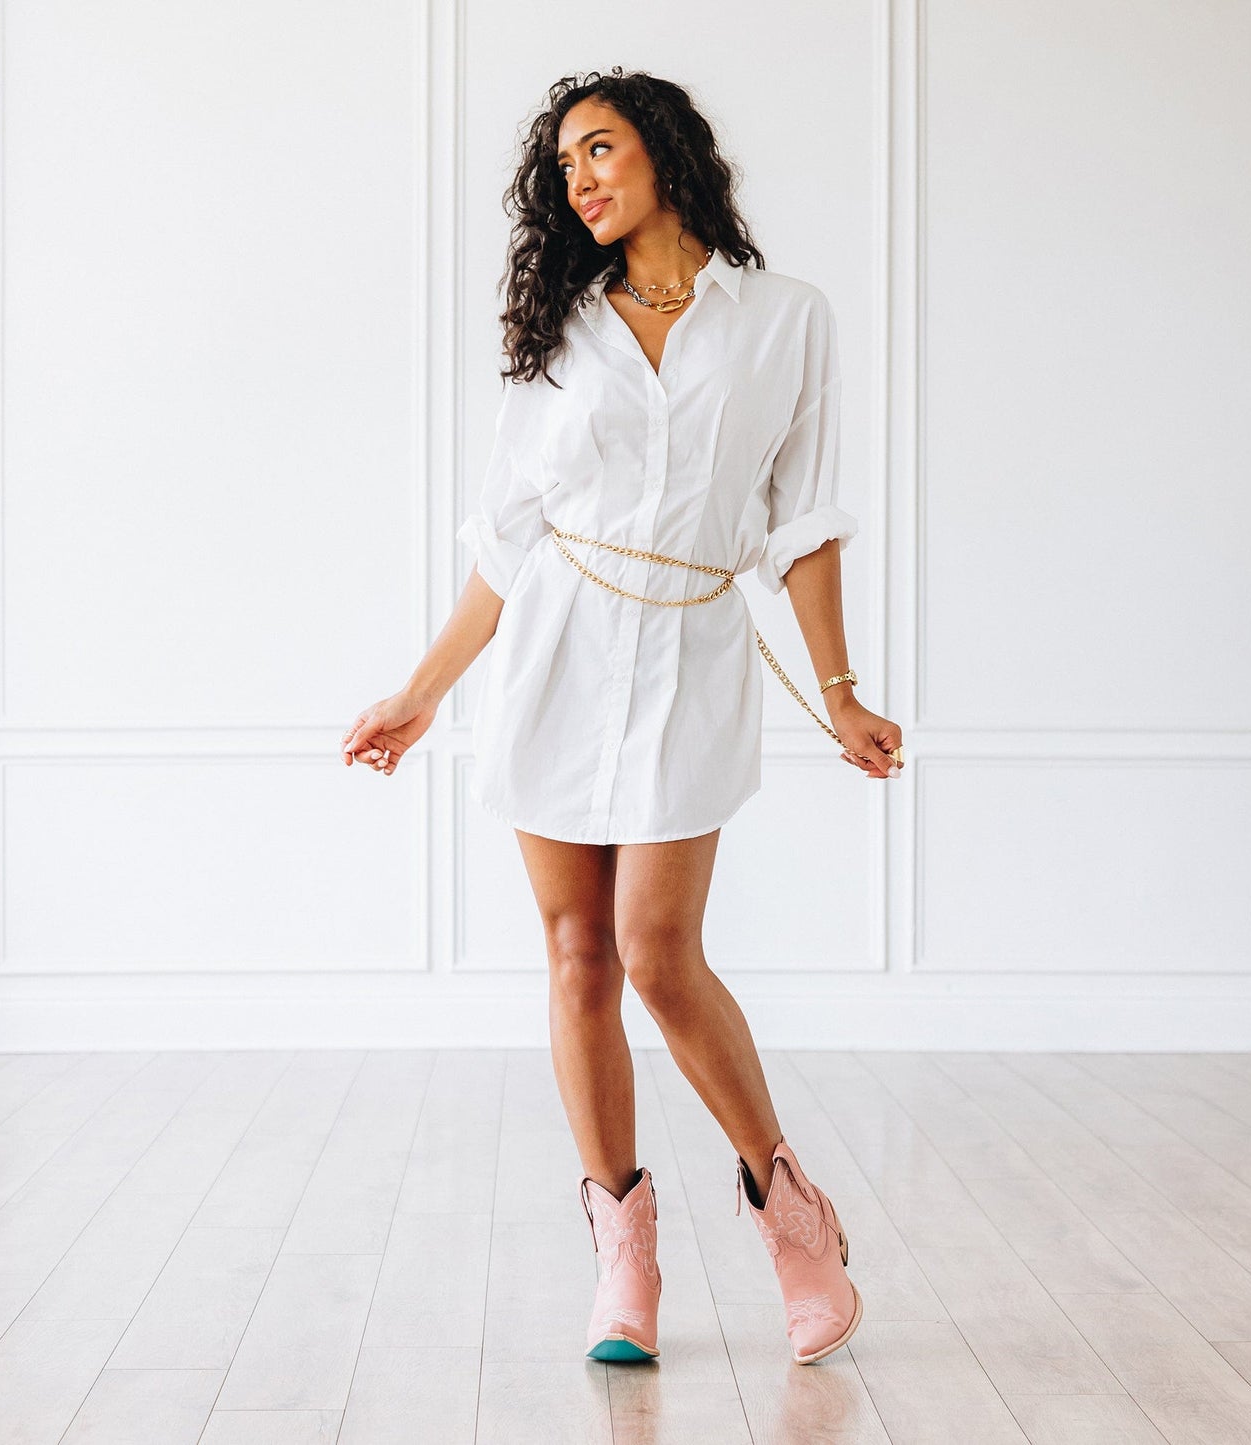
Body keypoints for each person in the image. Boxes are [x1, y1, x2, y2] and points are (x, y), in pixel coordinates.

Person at [341, 68, 904, 1366]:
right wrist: (423, 695)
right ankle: (623, 1263)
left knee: (658, 951)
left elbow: (801, 524)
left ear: (664, 149)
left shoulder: (783, 319)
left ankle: (792, 1221)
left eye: (600, 148)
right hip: (555, 654)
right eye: (564, 165)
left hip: (694, 654)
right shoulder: (560, 331)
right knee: (576, 956)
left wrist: (839, 695)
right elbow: (504, 538)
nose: (581, 177)